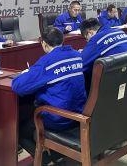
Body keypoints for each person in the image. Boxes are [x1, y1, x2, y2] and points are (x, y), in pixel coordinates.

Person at [12, 27, 86, 162]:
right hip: (80, 114)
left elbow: (18, 87)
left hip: (59, 119)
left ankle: (45, 160)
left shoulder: (47, 62)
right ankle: (56, 155)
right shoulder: (77, 56)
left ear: (44, 44)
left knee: (19, 130)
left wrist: (23, 74)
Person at [80, 18, 127, 88]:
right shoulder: (120, 32)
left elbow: (81, 64)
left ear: (90, 32)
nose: (87, 42)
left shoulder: (97, 39)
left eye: (86, 39)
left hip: (119, 89)